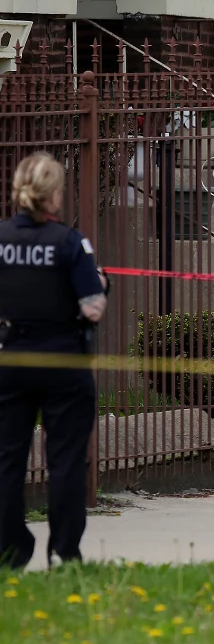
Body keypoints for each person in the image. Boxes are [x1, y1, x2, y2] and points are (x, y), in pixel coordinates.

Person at [0, 153, 108, 569]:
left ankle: (9, 550)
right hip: (63, 360)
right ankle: (64, 553)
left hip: (11, 358)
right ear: (54, 194)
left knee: (7, 459)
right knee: (64, 461)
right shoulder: (69, 242)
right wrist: (103, 283)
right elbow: (93, 307)